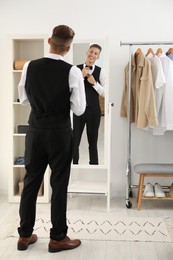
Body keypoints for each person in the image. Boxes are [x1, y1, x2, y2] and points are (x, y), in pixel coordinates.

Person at [17, 25, 86, 253]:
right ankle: (57, 238)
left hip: (35, 131)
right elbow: (78, 109)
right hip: (59, 133)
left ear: (49, 40)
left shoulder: (29, 66)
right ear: (68, 48)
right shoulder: (73, 72)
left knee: (31, 183)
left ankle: (25, 236)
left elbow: (24, 99)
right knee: (59, 185)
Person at [73, 44, 106, 165]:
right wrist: (80, 78)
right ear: (87, 52)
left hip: (94, 111)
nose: (93, 55)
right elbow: (70, 89)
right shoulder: (75, 69)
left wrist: (94, 83)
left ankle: (95, 167)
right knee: (74, 140)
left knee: (93, 142)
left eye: (96, 53)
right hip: (78, 110)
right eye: (91, 51)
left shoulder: (101, 71)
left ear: (98, 57)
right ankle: (73, 167)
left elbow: (105, 92)